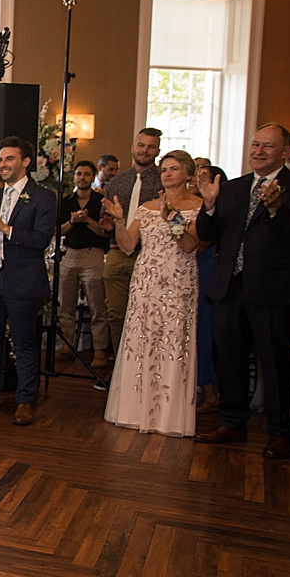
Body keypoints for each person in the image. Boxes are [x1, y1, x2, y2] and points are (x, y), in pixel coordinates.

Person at [195, 124, 290, 460]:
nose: (258, 151)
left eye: (267, 146)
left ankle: (280, 433)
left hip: (274, 292)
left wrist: (277, 209)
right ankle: (232, 422)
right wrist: (208, 206)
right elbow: (209, 233)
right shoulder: (232, 189)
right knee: (229, 359)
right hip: (230, 288)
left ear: (285, 151)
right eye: (254, 144)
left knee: (276, 364)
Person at [99, 150, 203, 436]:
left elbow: (190, 246)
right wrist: (120, 221)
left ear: (187, 174)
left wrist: (172, 218)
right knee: (140, 340)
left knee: (173, 342)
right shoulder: (146, 207)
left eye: (174, 169)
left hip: (178, 282)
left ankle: (169, 415)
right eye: (164, 169)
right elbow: (129, 244)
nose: (167, 173)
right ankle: (133, 409)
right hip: (146, 282)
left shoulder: (199, 206)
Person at [0, 136, 56, 426]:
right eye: (1, 160)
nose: (3, 165)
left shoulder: (43, 197)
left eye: (9, 159)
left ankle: (25, 400)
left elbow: (41, 239)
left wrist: (6, 228)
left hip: (23, 281)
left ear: (25, 162)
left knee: (24, 342)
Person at [101, 129, 163, 357]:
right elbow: (103, 218)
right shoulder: (117, 182)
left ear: (157, 151)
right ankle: (119, 367)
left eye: (150, 147)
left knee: (148, 315)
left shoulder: (162, 181)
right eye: (141, 145)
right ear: (133, 147)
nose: (145, 150)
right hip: (118, 254)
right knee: (116, 315)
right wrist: (106, 226)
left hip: (150, 255)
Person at [55, 159, 111, 368]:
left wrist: (87, 220)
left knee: (97, 306)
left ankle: (99, 350)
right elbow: (57, 231)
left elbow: (105, 232)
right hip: (69, 254)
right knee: (66, 305)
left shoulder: (100, 202)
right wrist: (72, 221)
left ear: (92, 176)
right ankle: (67, 346)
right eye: (79, 174)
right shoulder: (66, 201)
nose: (82, 178)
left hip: (93, 255)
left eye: (87, 174)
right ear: (75, 177)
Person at [194, 164, 226, 414]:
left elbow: (202, 243)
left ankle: (210, 392)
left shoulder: (216, 207)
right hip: (191, 269)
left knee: (203, 332)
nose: (197, 178)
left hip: (205, 269)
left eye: (203, 175)